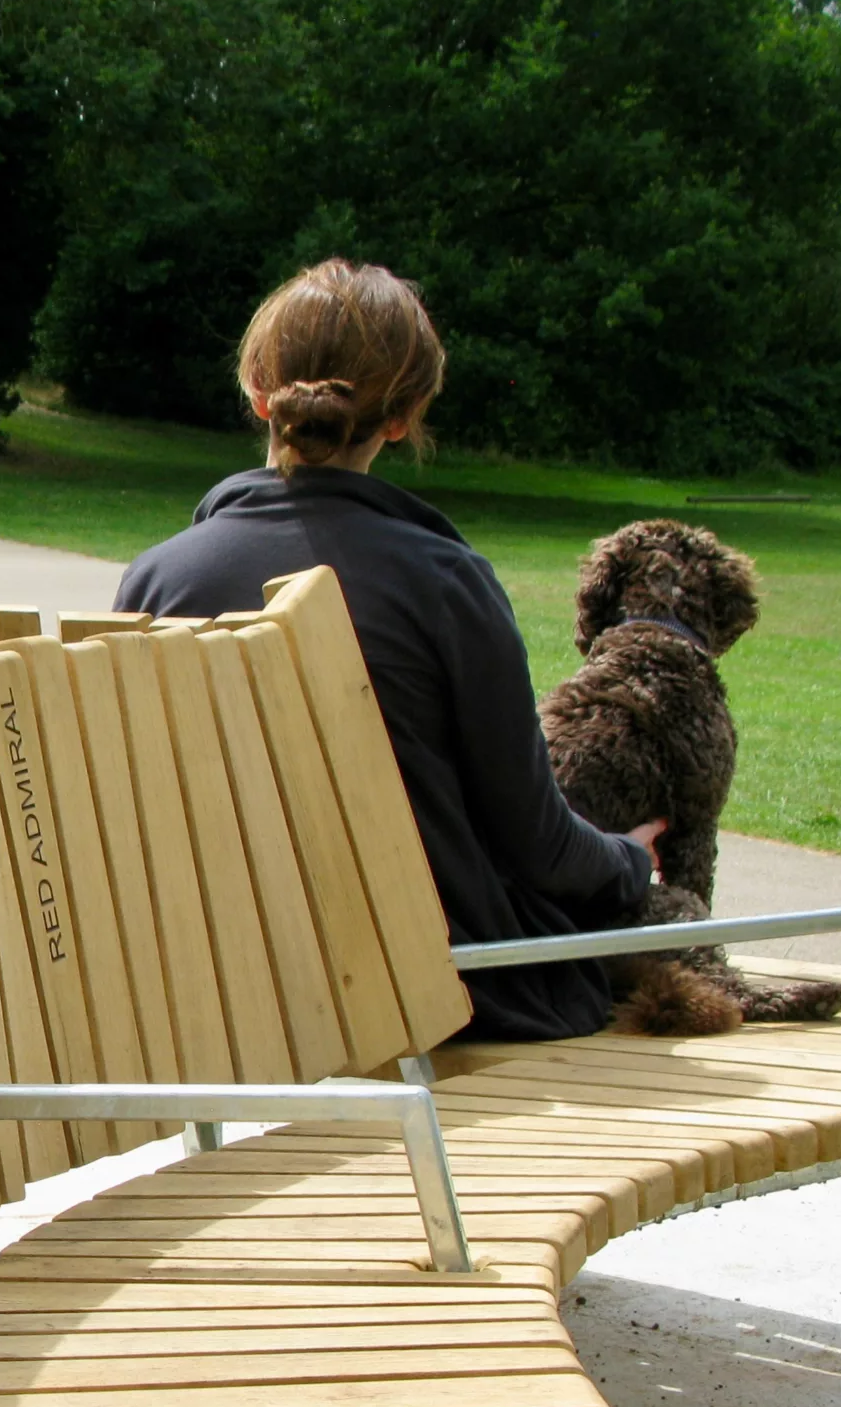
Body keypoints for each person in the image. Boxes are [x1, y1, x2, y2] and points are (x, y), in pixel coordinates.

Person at [113, 259, 659, 1040]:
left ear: (259, 391)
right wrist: (630, 863)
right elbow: (536, 845)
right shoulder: (444, 581)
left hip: (235, 1001)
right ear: (403, 418)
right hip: (439, 995)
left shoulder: (158, 579)